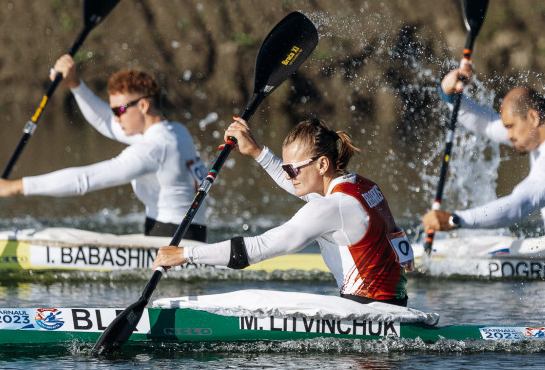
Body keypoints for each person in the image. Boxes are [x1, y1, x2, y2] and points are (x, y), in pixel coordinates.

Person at [153, 117, 414, 305]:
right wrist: (256, 151)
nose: (288, 176)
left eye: (293, 169)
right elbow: (306, 191)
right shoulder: (361, 185)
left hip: (368, 315)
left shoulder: (331, 207)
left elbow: (258, 249)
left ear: (322, 164)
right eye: (286, 169)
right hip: (392, 306)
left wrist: (186, 254)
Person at [0, 54, 209, 241]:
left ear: (143, 105)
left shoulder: (152, 150)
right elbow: (107, 123)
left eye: (119, 111)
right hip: (190, 236)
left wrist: (16, 187)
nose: (116, 118)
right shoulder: (177, 132)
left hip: (169, 238)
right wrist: (75, 84)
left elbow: (85, 180)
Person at [421, 58, 545, 256]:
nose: (508, 135)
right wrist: (449, 95)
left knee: (496, 249)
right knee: (492, 244)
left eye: (511, 126)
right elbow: (487, 125)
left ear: (533, 118)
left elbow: (519, 206)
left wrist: (455, 220)